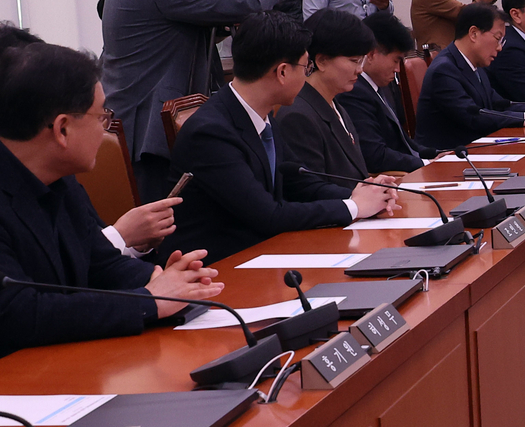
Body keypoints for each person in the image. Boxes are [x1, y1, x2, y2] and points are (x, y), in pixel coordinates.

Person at [0, 43, 222, 398]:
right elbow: (19, 313)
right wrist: (149, 300)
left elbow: (102, 263)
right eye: (101, 117)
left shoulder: (57, 177)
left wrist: (163, 280)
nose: (106, 127)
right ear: (62, 129)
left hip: (51, 375)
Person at [101, 0, 295, 201]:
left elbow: (207, 25)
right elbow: (250, 4)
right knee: (160, 234)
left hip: (154, 122)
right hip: (149, 135)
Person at [167, 13, 398, 263]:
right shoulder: (211, 132)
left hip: (263, 256)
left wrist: (362, 191)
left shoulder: (263, 118)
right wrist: (353, 207)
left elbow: (299, 182)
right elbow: (267, 215)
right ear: (283, 72)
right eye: (306, 66)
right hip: (217, 268)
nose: (308, 74)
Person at [0, 22, 182, 254]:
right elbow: (40, 277)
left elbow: (98, 261)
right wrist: (121, 235)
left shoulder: (52, 161)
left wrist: (137, 249)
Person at [414, 2, 525, 153]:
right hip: (447, 159)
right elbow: (474, 117)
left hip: (479, 149)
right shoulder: (444, 70)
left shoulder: (476, 66)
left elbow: (499, 105)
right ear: (474, 33)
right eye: (497, 38)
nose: (500, 47)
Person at [275, 10, 380, 185]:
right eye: (354, 61)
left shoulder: (334, 104)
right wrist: (361, 197)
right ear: (322, 60)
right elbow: (310, 190)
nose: (360, 70)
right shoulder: (298, 116)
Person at [339, 10, 425, 173]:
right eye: (396, 60)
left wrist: (435, 155)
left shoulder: (381, 85)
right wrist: (423, 163)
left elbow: (403, 142)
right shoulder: (354, 92)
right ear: (371, 55)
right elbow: (375, 155)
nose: (398, 69)